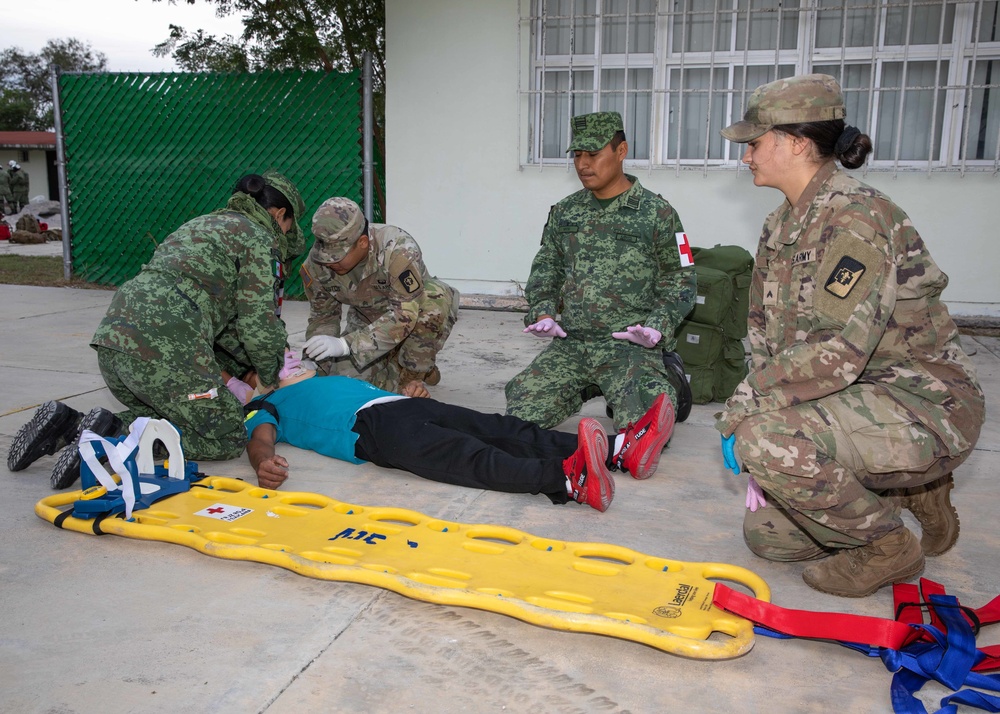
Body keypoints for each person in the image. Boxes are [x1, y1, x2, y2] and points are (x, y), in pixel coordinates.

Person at [716, 74, 985, 598]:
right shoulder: (781, 224)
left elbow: (838, 351)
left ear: (795, 143)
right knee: (768, 538)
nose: (746, 154)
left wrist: (748, 413)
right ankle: (911, 492)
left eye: (755, 141)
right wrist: (762, 405)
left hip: (921, 402)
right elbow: (765, 334)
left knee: (766, 442)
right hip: (851, 397)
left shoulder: (857, 218)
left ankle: (887, 548)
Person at [7, 172, 307, 490]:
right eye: (288, 226)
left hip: (115, 341)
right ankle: (114, 438)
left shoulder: (200, 225)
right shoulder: (260, 239)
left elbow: (228, 325)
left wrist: (236, 373)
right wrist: (276, 373)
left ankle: (69, 424)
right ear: (278, 214)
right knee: (226, 435)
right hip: (166, 345)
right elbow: (258, 325)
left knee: (164, 413)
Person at [504, 111, 696, 480]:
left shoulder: (658, 213)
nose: (583, 164)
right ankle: (595, 385)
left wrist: (656, 327)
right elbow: (547, 269)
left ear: (621, 150)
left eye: (593, 154)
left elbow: (682, 279)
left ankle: (662, 374)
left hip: (628, 346)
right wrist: (543, 313)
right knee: (521, 415)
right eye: (577, 155)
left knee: (648, 427)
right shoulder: (566, 212)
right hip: (573, 343)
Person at [243, 361, 616, 512]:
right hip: (370, 429)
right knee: (466, 456)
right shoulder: (270, 401)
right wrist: (263, 462)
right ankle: (568, 478)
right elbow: (260, 438)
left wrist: (411, 389)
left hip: (402, 406)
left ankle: (616, 450)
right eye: (277, 363)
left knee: (500, 429)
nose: (289, 360)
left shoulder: (330, 377)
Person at [299, 197, 459, 394]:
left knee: (435, 299)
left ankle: (413, 373)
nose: (330, 263)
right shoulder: (316, 266)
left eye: (337, 257)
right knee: (347, 386)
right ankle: (400, 363)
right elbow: (323, 317)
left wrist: (345, 344)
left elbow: (404, 316)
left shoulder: (397, 248)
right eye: (325, 257)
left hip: (414, 319)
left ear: (363, 242)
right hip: (366, 324)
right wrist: (315, 360)